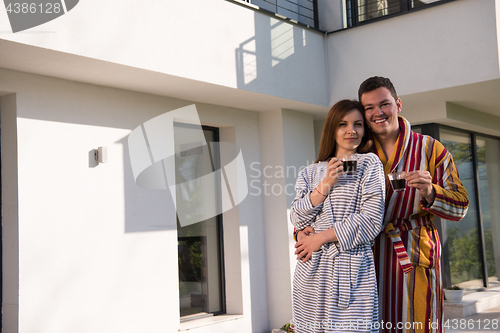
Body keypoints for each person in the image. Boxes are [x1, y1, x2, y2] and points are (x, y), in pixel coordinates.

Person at [290, 99, 385, 333]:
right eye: (343, 124)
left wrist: (320, 237)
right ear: (332, 128)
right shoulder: (310, 172)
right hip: (311, 273)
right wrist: (325, 184)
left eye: (358, 124)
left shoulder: (369, 164)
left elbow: (371, 220)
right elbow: (296, 218)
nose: (351, 130)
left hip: (353, 272)